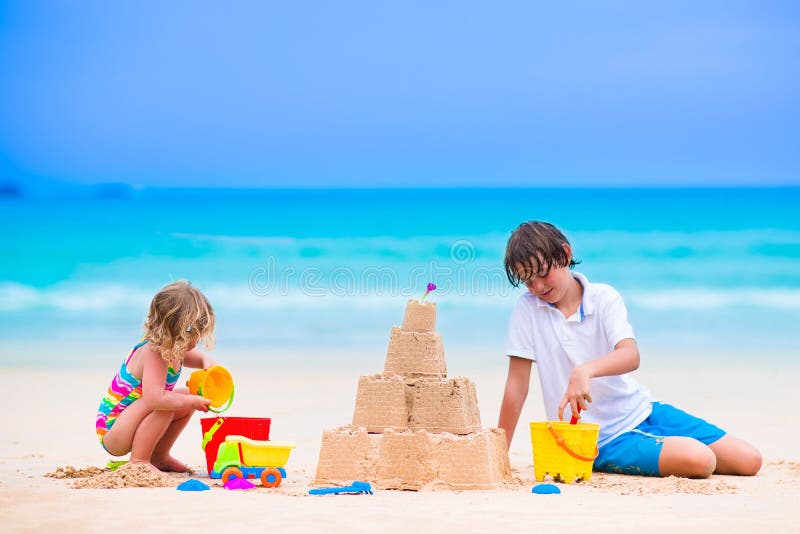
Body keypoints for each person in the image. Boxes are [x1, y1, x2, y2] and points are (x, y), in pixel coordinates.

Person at [497, 221, 762, 478]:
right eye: (528, 281)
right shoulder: (527, 309)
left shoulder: (603, 297)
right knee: (701, 460)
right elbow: (516, 387)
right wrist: (499, 455)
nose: (538, 287)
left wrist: (585, 371)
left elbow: (630, 355)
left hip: (641, 409)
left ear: (565, 254)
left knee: (749, 460)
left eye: (543, 273)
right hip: (598, 438)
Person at [96, 280, 218, 472]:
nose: (196, 341)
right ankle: (139, 461)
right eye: (193, 335)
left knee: (184, 395)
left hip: (131, 421)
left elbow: (192, 357)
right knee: (167, 403)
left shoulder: (171, 347)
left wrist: (206, 363)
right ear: (177, 331)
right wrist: (193, 402)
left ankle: (159, 457)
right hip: (114, 429)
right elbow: (155, 399)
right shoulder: (155, 352)